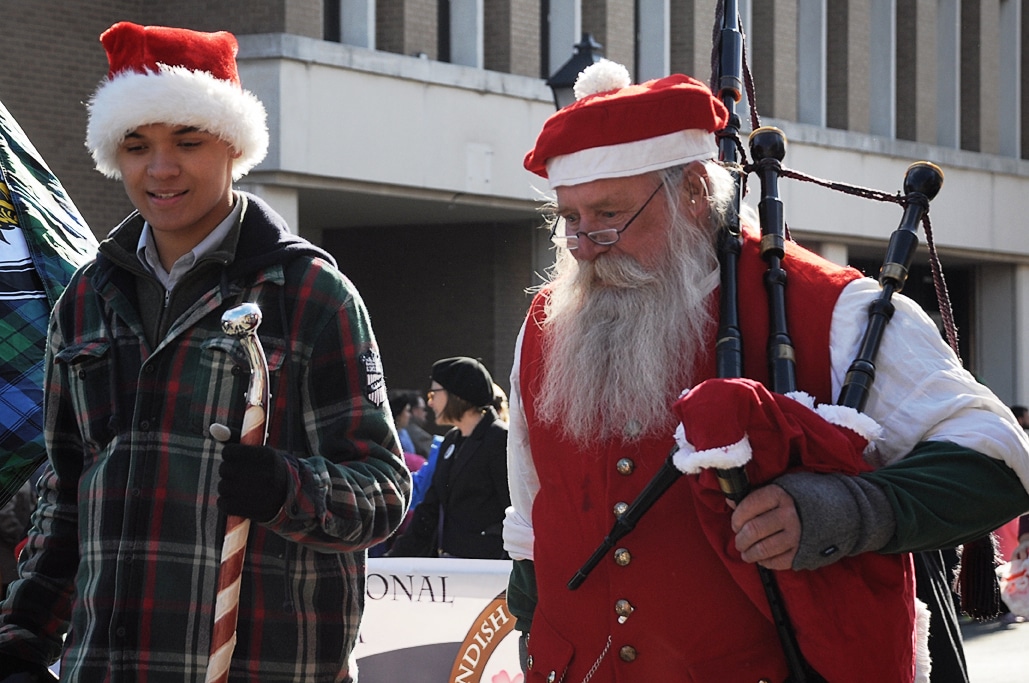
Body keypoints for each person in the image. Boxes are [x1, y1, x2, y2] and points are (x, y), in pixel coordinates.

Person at [503, 60, 1029, 682]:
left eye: (609, 215)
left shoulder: (835, 310)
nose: (584, 246)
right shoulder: (548, 320)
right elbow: (532, 507)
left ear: (695, 191)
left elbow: (998, 458)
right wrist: (533, 625)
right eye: (571, 219)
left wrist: (851, 509)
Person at [0, 22, 410, 682]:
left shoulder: (310, 292)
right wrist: (23, 634)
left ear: (232, 145)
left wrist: (286, 487)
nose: (160, 168)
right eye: (136, 146)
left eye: (186, 141)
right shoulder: (83, 298)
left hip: (260, 666)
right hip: (109, 664)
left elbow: (384, 492)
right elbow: (67, 491)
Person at [390, 357, 510, 559]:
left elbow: (513, 509)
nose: (430, 402)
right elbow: (429, 510)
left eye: (433, 393)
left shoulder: (499, 440)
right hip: (452, 568)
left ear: (457, 394)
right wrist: (393, 559)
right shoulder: (451, 440)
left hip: (489, 572)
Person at [405, 391, 436, 456]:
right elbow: (434, 455)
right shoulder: (418, 435)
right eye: (424, 409)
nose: (426, 413)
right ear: (415, 411)